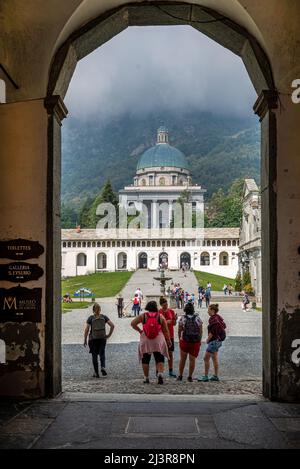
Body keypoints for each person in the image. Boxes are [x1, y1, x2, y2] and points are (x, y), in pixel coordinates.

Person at [131, 301, 171, 384]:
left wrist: (140, 330)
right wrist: (168, 340)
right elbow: (165, 330)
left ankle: (146, 378)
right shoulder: (160, 316)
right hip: (158, 339)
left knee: (145, 359)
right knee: (159, 358)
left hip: (146, 339)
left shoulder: (143, 316)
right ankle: (160, 374)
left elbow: (133, 323)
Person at [84, 303, 115, 378]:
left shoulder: (90, 318)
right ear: (100, 309)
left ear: (93, 310)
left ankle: (96, 373)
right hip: (102, 338)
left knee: (94, 355)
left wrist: (85, 339)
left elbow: (87, 330)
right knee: (102, 353)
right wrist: (109, 335)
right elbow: (112, 325)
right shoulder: (104, 317)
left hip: (93, 339)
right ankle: (103, 367)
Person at [198, 303, 226, 382]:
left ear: (212, 310)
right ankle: (215, 376)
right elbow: (224, 326)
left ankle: (206, 376)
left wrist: (207, 339)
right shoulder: (218, 317)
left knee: (206, 358)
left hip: (214, 341)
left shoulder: (213, 319)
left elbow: (212, 331)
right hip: (219, 341)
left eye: (208, 310)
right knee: (214, 358)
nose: (207, 312)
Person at [177, 303, 203, 382]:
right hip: (195, 342)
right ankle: (190, 376)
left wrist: (179, 339)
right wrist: (200, 340)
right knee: (192, 360)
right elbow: (201, 331)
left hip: (185, 341)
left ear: (185, 310)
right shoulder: (197, 318)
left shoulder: (182, 318)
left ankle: (180, 376)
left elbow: (179, 330)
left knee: (182, 360)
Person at [159, 297, 178, 378]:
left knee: (170, 353)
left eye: (166, 304)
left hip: (170, 335)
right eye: (164, 305)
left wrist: (174, 319)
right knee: (161, 354)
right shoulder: (159, 312)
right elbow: (158, 323)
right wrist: (167, 322)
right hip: (161, 335)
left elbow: (174, 324)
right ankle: (160, 371)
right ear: (161, 305)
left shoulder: (171, 311)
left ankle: (170, 370)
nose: (166, 306)